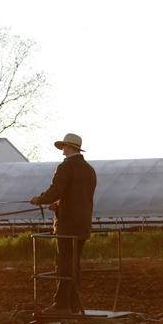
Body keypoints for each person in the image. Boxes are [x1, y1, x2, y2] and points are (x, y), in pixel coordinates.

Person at [30, 133, 97, 313]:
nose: (62, 151)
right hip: (82, 224)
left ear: (70, 147)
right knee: (74, 264)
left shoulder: (66, 167)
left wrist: (40, 199)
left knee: (64, 263)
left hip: (67, 225)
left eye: (64, 147)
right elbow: (78, 196)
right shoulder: (89, 170)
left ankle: (61, 304)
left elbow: (56, 190)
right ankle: (74, 303)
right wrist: (59, 204)